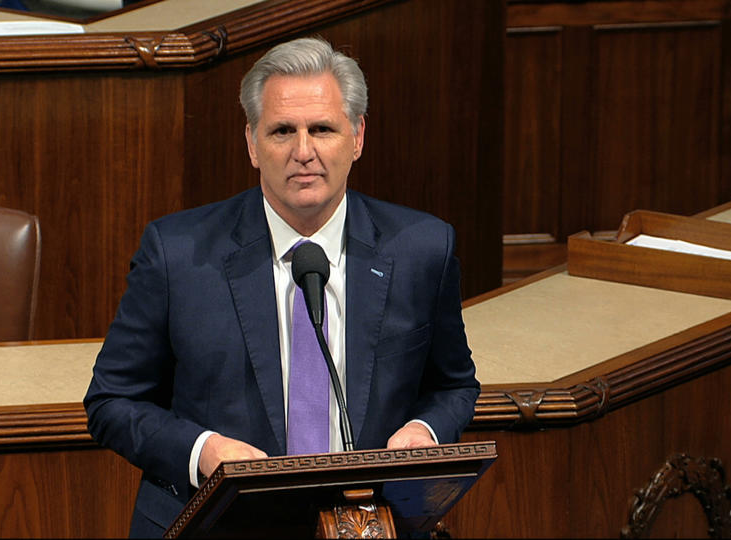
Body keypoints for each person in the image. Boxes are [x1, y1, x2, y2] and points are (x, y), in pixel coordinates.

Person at [84, 36, 480, 536]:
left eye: (322, 129)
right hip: (214, 524)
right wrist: (205, 451)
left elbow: (453, 385)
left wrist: (424, 431)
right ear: (252, 144)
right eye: (281, 131)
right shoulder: (178, 253)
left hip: (365, 523)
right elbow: (112, 401)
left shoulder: (422, 248)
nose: (303, 151)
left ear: (357, 137)